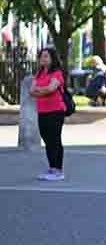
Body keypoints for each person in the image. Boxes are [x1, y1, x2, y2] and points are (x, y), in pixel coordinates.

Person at [31, 47, 67, 181]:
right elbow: (31, 90)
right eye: (41, 56)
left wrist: (40, 90)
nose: (43, 59)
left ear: (52, 59)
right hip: (43, 111)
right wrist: (42, 90)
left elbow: (51, 89)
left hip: (56, 111)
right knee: (46, 139)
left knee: (54, 139)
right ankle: (52, 168)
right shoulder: (39, 74)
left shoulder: (57, 73)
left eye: (46, 56)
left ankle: (58, 170)